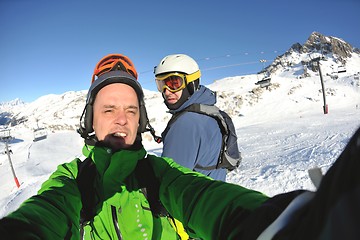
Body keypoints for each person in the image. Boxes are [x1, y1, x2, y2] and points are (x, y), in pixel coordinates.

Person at [0, 54, 185, 240]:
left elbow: (203, 199)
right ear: (91, 122)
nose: (122, 120)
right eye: (108, 110)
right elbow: (46, 212)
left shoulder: (162, 174)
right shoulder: (73, 179)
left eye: (131, 111)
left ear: (140, 121)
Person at [154, 54, 227, 181]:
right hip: (210, 193)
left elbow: (169, 181)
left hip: (193, 198)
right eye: (161, 84)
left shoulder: (186, 123)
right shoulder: (207, 111)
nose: (166, 91)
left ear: (191, 83)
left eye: (174, 83)